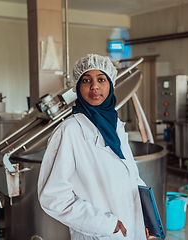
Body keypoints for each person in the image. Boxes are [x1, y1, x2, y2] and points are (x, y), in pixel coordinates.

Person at [37, 54, 155, 240]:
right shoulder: (70, 131)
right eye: (86, 80)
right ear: (77, 87)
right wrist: (105, 224)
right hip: (99, 234)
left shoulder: (116, 126)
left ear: (111, 84)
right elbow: (54, 198)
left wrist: (146, 220)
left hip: (133, 231)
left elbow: (131, 176)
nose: (94, 86)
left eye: (101, 79)